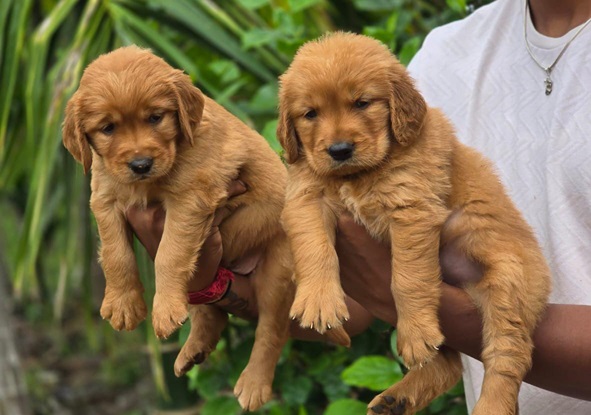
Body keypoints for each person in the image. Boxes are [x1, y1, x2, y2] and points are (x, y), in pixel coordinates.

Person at [127, 0, 591, 412]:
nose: (338, 139)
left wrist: (422, 309)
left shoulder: (406, 114)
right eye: (310, 116)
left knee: (506, 279)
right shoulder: (450, 52)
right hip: (440, 293)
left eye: (361, 105)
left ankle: (500, 383)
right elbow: (349, 307)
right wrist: (212, 280)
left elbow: (402, 256)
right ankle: (434, 373)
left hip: (492, 274)